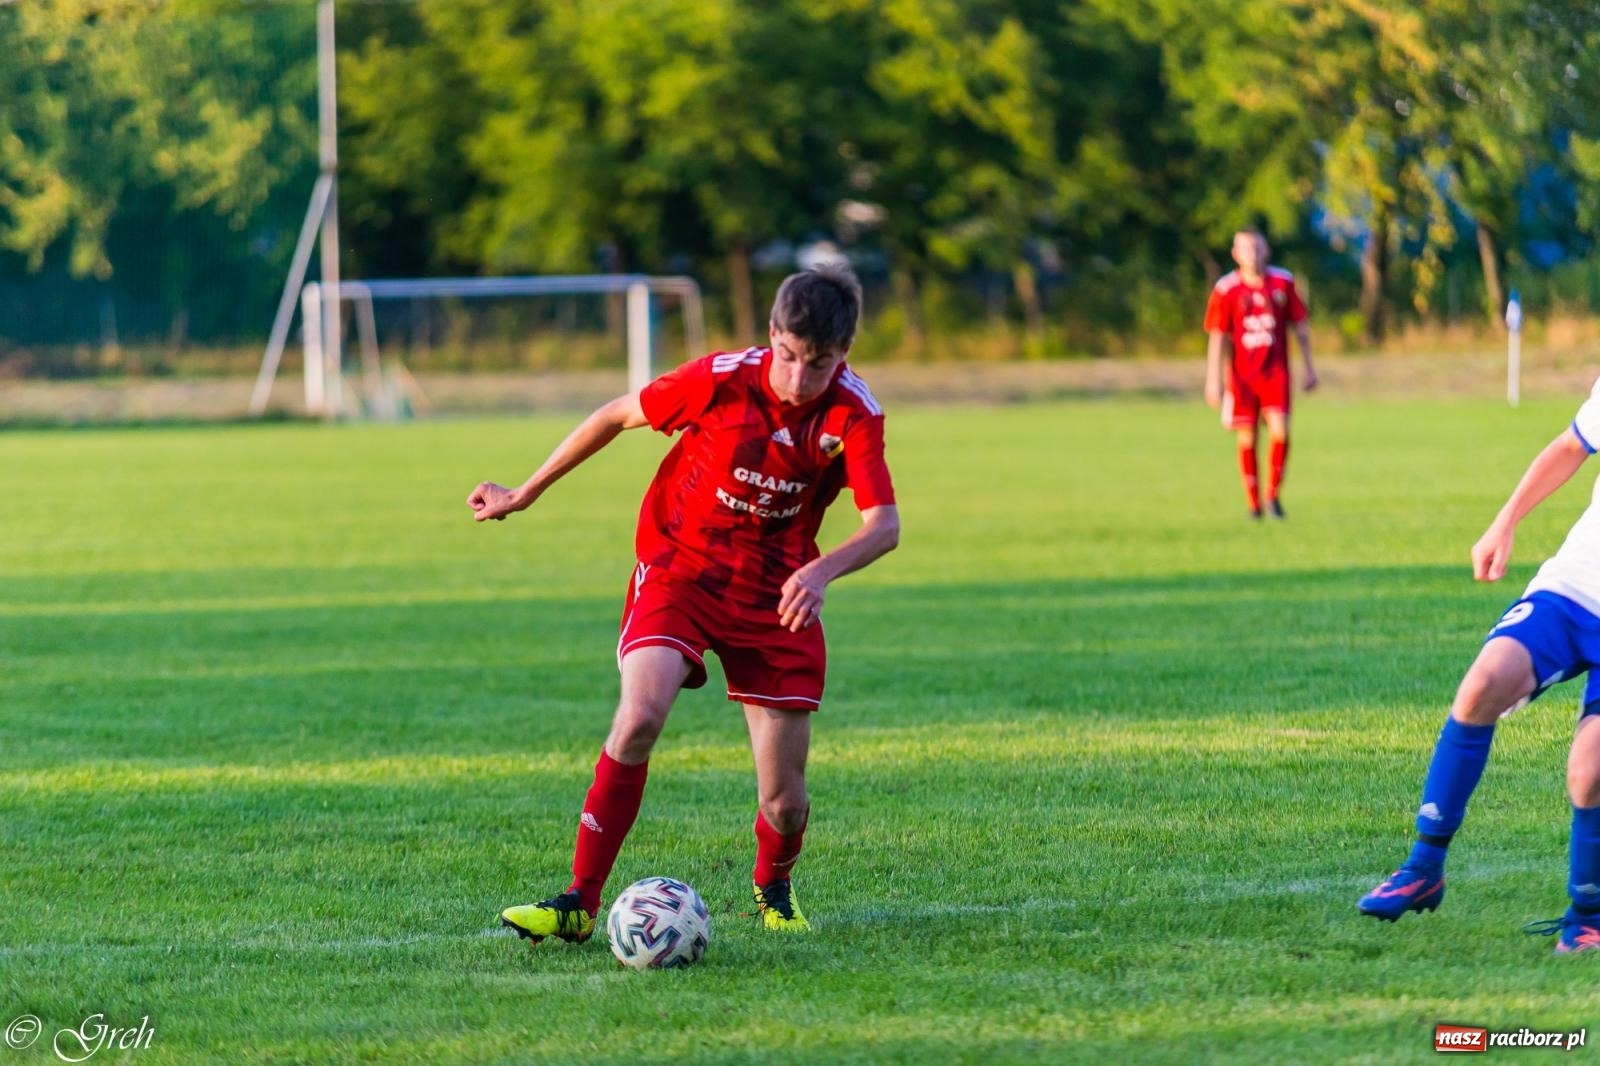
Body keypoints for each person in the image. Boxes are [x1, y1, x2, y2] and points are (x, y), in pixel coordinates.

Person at [467, 266, 899, 944]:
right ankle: (579, 901)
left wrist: (821, 573)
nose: (796, 378)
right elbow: (615, 414)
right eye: (787, 355)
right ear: (771, 336)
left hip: (777, 594)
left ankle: (773, 888)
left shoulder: (853, 414)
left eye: (817, 364)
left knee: (786, 804)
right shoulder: (721, 379)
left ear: (842, 355)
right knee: (638, 717)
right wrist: (525, 491)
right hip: (681, 568)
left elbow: (884, 527)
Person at [1358, 383, 1600, 953]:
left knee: (1589, 772)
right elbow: (1570, 446)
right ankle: (1423, 868)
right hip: (1576, 585)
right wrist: (1505, 521)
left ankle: (1587, 913)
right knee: (1482, 684)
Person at [1203, 230, 1318, 519]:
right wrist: (1213, 379)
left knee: (1281, 431)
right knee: (1248, 437)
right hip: (1242, 376)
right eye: (1246, 248)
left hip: (1275, 371)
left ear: (1266, 250)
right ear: (1235, 254)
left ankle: (1273, 496)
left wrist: (1309, 368)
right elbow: (1218, 336)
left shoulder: (1283, 282)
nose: (1252, 253)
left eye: (1257, 247)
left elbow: (1300, 328)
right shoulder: (1226, 289)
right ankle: (1253, 504)